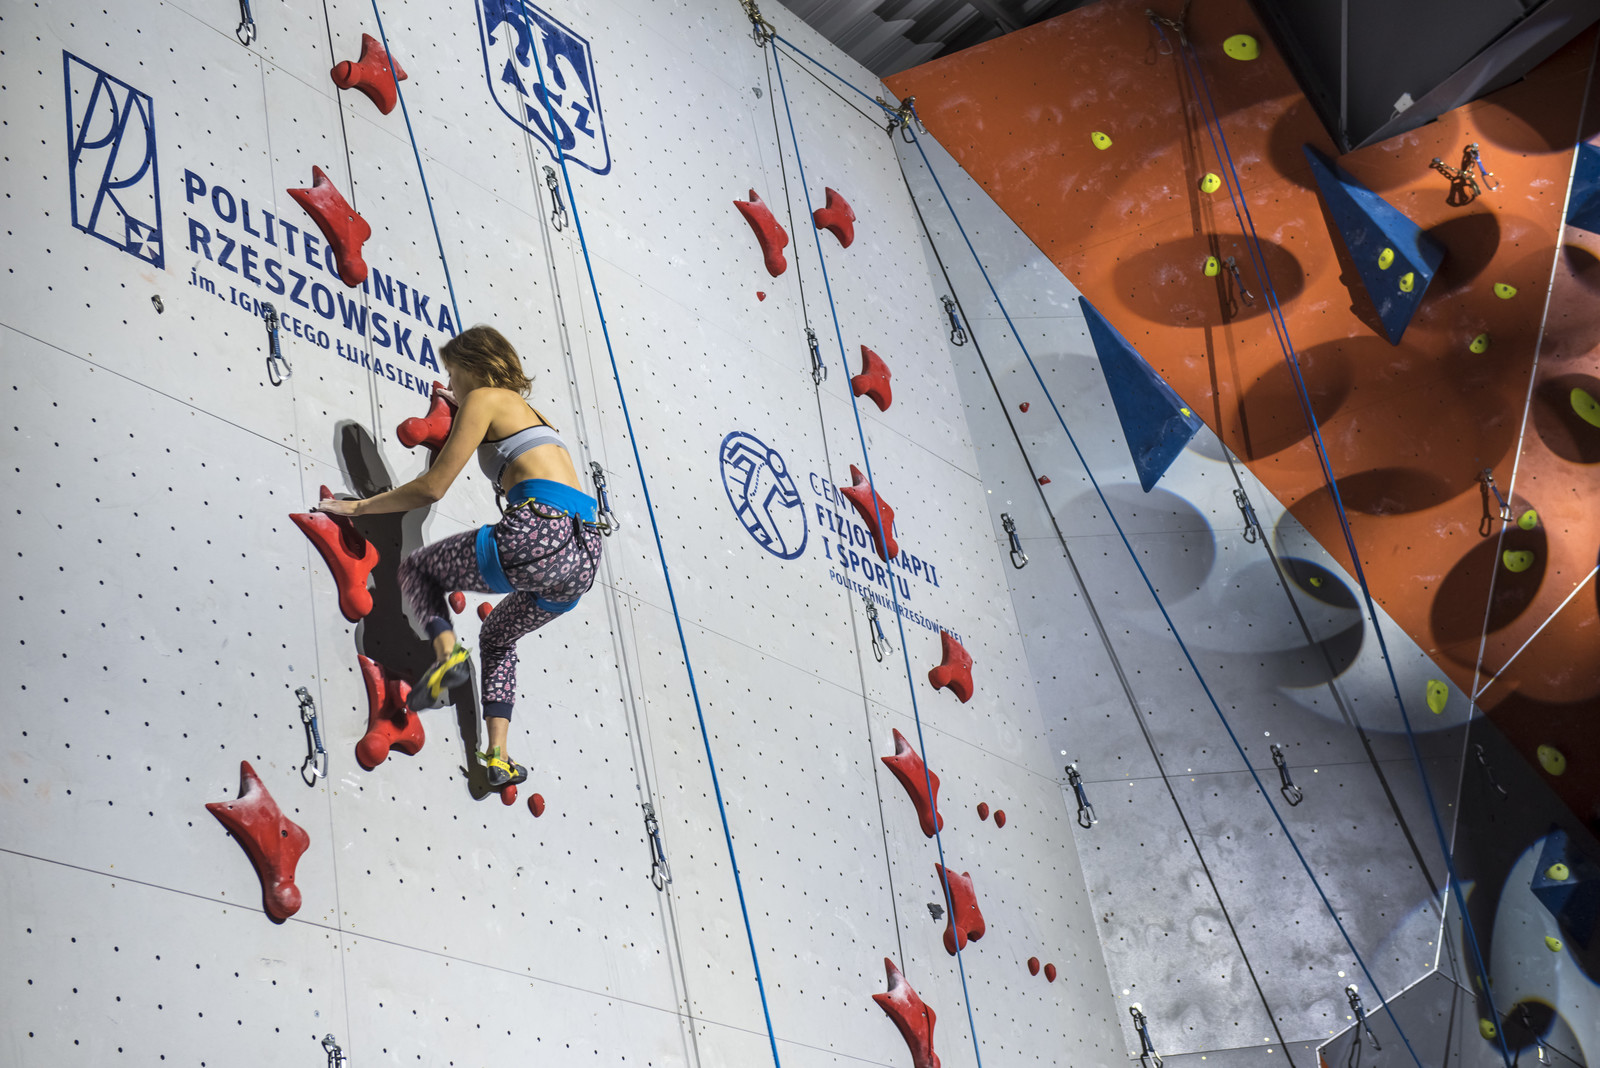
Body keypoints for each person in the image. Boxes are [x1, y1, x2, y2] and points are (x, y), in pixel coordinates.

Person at [314, 325, 603, 788]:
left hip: (540, 533)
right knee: (498, 639)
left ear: (472, 366)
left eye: (453, 373)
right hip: (582, 556)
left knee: (419, 570)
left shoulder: (483, 399)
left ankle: (447, 656)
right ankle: (497, 757)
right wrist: (457, 402)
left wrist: (361, 507)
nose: (451, 383)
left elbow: (433, 487)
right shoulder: (535, 416)